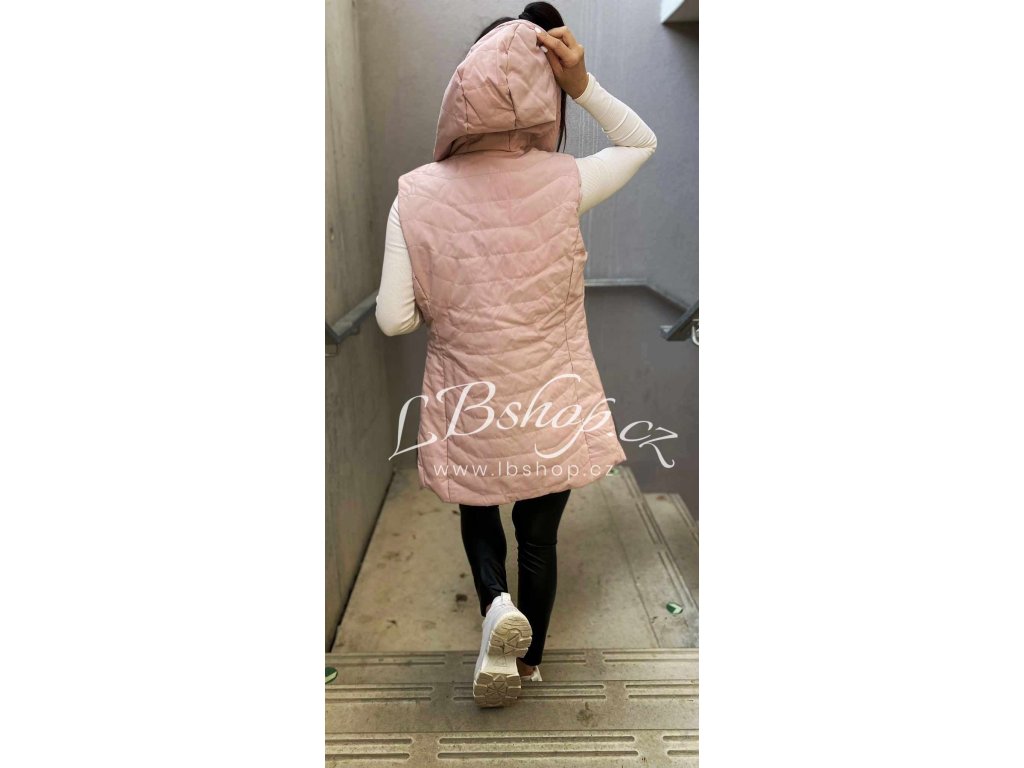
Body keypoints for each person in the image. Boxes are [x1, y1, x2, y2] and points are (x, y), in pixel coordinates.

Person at [374, 2, 657, 707]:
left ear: (459, 89)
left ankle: (496, 605)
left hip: (469, 400)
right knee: (539, 536)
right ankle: (528, 665)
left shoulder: (414, 195)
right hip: (550, 400)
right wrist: (583, 83)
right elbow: (639, 142)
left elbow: (392, 319)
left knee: (478, 511)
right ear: (543, 92)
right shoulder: (565, 180)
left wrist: (449, 305)